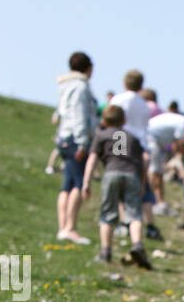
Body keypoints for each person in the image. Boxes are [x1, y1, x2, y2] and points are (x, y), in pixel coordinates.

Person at [81, 104, 152, 268]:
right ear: (124, 121)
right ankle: (137, 245)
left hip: (111, 173)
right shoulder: (132, 137)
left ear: (104, 121)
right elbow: (146, 158)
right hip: (132, 174)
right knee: (134, 214)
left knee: (108, 213)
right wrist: (142, 183)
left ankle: (106, 252)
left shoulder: (101, 135)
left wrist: (86, 182)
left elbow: (92, 159)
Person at [111, 71, 161, 239]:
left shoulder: (118, 99)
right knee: (142, 184)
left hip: (120, 139)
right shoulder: (144, 105)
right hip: (140, 145)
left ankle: (124, 222)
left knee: (120, 181)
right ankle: (150, 225)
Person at [55, 51, 98, 244]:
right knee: (78, 184)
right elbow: (80, 115)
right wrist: (82, 142)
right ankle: (69, 227)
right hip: (75, 138)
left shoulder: (64, 85)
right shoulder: (81, 87)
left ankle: (63, 227)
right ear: (88, 68)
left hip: (64, 136)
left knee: (67, 184)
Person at [147, 103, 184, 212]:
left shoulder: (181, 120)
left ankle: (159, 201)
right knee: (155, 172)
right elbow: (179, 144)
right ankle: (152, 201)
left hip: (157, 142)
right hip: (151, 140)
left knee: (159, 172)